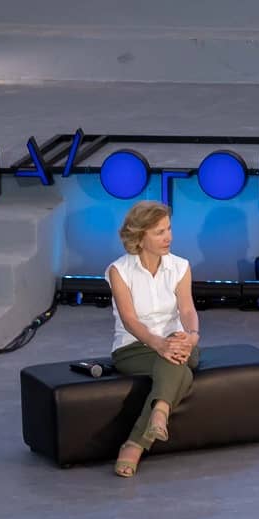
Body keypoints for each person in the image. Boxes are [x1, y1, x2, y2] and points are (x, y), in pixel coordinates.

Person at [104, 200, 200, 478]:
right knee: (180, 370)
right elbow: (130, 321)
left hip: (181, 343)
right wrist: (159, 344)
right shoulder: (119, 271)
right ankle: (144, 433)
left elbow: (187, 309)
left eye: (169, 229)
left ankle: (149, 424)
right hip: (133, 348)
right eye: (159, 232)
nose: (168, 237)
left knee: (177, 354)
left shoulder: (180, 266)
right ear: (140, 235)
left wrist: (192, 337)